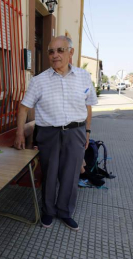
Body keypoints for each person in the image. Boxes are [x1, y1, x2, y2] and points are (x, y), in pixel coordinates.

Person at [14, 36, 98, 231]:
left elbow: (88, 107)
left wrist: (87, 132)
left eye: (60, 50)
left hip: (76, 131)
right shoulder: (39, 81)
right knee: (50, 174)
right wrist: (19, 133)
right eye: (51, 51)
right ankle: (48, 211)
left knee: (71, 174)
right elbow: (23, 108)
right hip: (49, 134)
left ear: (71, 52)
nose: (55, 55)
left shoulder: (84, 76)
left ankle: (65, 212)